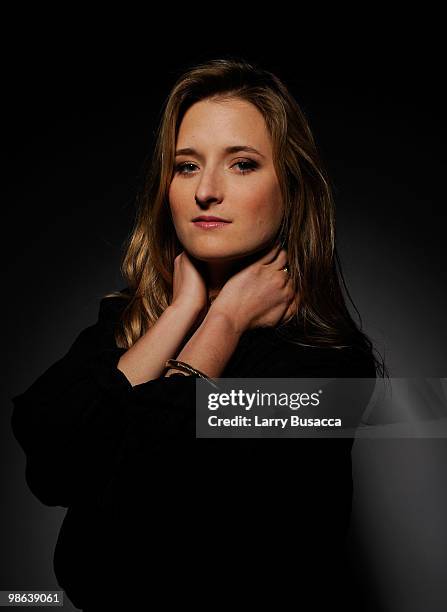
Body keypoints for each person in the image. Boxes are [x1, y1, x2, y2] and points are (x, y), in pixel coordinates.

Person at [10, 58, 385, 610]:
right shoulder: (125, 323)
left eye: (242, 164)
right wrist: (183, 310)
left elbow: (140, 515)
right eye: (186, 166)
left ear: (292, 190)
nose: (205, 190)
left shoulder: (327, 364)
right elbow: (53, 465)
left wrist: (224, 323)